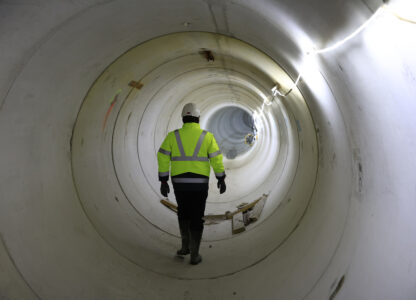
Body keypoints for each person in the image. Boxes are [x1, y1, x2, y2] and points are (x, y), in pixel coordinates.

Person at [157, 103, 226, 265]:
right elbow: (216, 159)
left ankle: (184, 247)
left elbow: (162, 157)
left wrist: (163, 180)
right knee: (197, 216)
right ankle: (194, 255)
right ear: (198, 118)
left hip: (179, 183)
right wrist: (221, 178)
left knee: (183, 212)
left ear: (183, 118)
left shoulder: (172, 136)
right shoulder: (207, 136)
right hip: (199, 184)